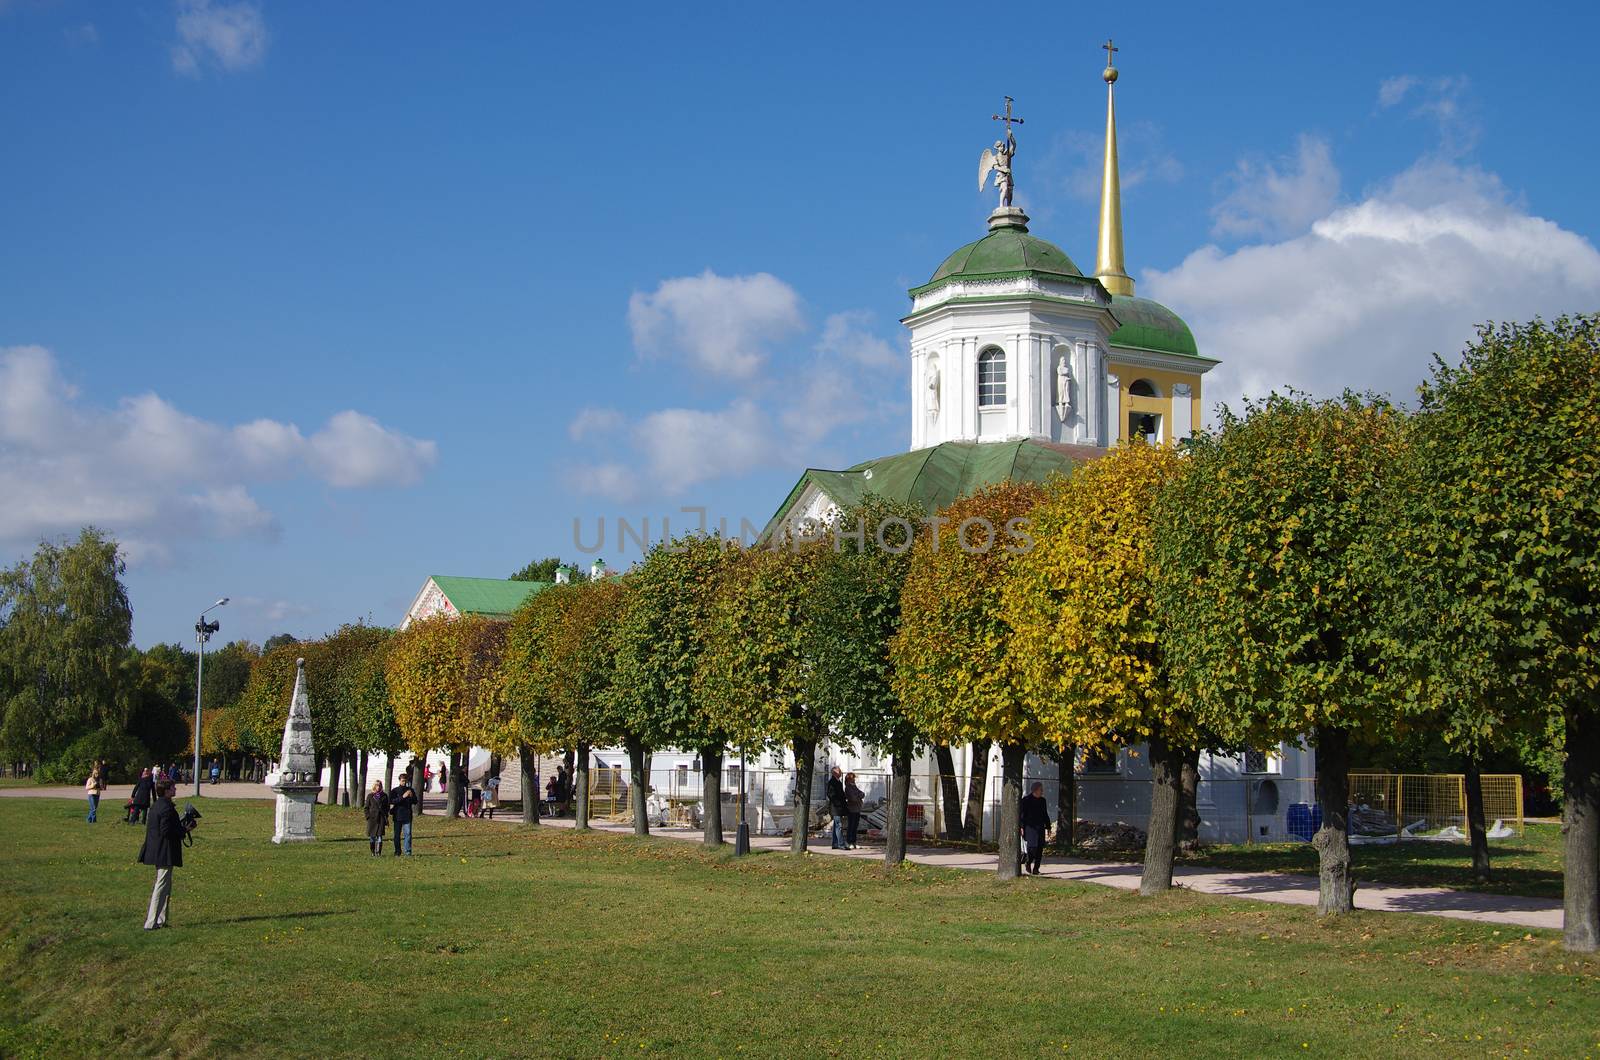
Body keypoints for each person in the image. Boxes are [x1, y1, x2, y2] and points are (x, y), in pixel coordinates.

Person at [137, 778, 197, 929]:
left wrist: (181, 826)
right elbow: (165, 831)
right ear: (167, 790)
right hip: (163, 851)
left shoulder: (158, 805)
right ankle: (151, 922)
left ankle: (161, 920)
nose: (175, 790)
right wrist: (184, 830)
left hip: (159, 850)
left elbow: (166, 826)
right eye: (173, 788)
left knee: (166, 886)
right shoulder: (166, 808)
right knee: (161, 885)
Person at [1019, 781, 1052, 876]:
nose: (1042, 791)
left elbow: (1045, 814)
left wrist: (1048, 826)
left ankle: (1036, 869)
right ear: (1036, 790)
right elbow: (1022, 815)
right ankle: (1028, 862)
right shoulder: (1026, 800)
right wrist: (1021, 826)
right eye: (1041, 789)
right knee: (1032, 847)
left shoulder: (1042, 801)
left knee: (1040, 848)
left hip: (1040, 827)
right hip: (1030, 827)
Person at [388, 776, 418, 856]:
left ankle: (408, 851)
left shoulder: (410, 790)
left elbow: (415, 801)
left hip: (407, 815)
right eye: (402, 781)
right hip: (397, 815)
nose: (404, 782)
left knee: (408, 834)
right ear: (399, 781)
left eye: (405, 781)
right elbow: (392, 801)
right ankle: (397, 851)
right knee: (397, 835)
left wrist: (411, 796)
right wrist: (402, 797)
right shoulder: (395, 791)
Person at [363, 780, 390, 855]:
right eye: (377, 785)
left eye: (380, 785)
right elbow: (366, 808)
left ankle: (378, 852)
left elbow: (387, 807)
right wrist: (368, 816)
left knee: (380, 837)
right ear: (374, 786)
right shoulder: (370, 796)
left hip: (381, 818)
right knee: (372, 837)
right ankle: (372, 851)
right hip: (372, 819)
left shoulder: (384, 796)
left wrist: (385, 816)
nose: (378, 787)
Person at [826, 766, 848, 849]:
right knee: (839, 825)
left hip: (839, 807)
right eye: (839, 771)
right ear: (835, 772)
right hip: (835, 807)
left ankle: (835, 843)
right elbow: (831, 795)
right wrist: (838, 802)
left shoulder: (838, 782)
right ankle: (841, 844)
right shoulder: (832, 782)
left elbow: (841, 794)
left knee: (836, 825)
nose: (841, 772)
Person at [844, 772, 865, 850]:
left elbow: (862, 793)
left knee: (855, 826)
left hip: (857, 809)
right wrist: (859, 796)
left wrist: (859, 796)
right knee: (851, 826)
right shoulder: (848, 787)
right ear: (849, 778)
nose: (854, 779)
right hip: (851, 809)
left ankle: (854, 842)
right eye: (853, 778)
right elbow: (852, 798)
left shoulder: (854, 786)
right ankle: (849, 841)